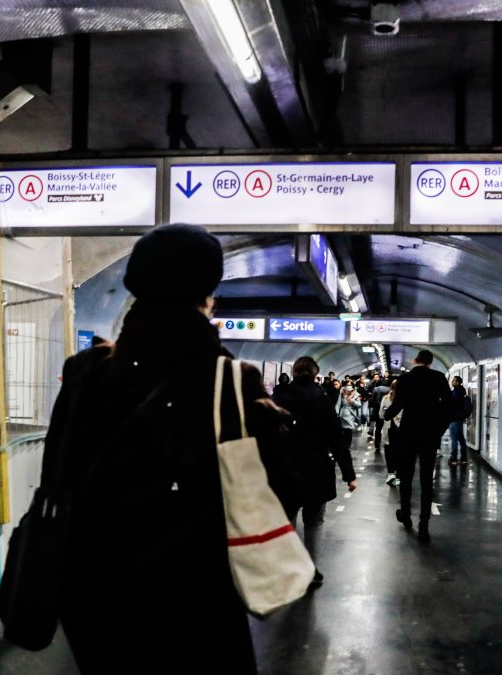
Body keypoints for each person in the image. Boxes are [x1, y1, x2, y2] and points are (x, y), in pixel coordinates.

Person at [54, 224, 298, 673]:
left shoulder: (86, 372)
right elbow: (278, 491)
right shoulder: (231, 381)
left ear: (133, 286)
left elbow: (60, 474)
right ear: (207, 297)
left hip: (97, 592)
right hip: (199, 597)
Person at [272, 356, 356, 590]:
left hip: (284, 468)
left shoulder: (278, 397)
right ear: (315, 373)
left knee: (287, 520)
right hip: (316, 468)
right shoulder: (321, 399)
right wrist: (349, 474)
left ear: (294, 372)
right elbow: (336, 439)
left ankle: (287, 568)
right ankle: (310, 570)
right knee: (314, 521)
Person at [382, 350, 451, 544]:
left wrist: (387, 415)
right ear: (430, 362)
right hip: (430, 435)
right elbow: (449, 407)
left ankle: (405, 514)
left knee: (406, 476)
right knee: (426, 479)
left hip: (408, 434)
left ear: (415, 361)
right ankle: (424, 525)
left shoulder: (405, 379)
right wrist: (439, 429)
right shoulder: (439, 378)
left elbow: (398, 404)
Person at [381, 379, 401, 485]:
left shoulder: (385, 398)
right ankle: (399, 475)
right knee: (400, 452)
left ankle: (391, 473)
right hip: (400, 428)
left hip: (388, 428)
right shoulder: (404, 399)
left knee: (388, 451)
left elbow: (381, 414)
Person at [447, 375, 471, 465]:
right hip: (460, 419)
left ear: (457, 382)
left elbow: (451, 406)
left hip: (455, 419)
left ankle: (454, 458)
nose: (452, 382)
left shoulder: (455, 393)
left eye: (453, 381)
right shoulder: (462, 391)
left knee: (454, 439)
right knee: (461, 439)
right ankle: (464, 458)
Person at [368, 374, 390, 453]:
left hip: (377, 410)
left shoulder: (376, 389)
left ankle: (377, 446)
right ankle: (389, 444)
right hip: (388, 411)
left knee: (378, 429)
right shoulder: (391, 390)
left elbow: (371, 401)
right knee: (389, 428)